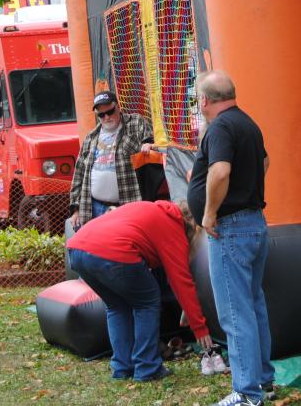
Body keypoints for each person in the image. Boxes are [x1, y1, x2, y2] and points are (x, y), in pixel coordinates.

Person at [187, 71, 274, 406]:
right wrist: (245, 192)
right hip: (253, 223)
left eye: (198, 99)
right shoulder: (248, 123)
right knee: (253, 306)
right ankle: (263, 379)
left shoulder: (221, 127)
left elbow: (220, 171)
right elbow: (265, 162)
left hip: (231, 228)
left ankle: (247, 393)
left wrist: (209, 213)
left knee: (235, 313)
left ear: (205, 100)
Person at [67, 199, 213, 381]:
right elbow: (181, 282)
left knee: (117, 306)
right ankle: (147, 367)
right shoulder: (173, 227)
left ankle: (122, 367)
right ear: (194, 226)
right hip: (112, 252)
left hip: (77, 248)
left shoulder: (151, 209)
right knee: (147, 302)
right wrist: (199, 327)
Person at [69, 91, 161, 230]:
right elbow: (79, 173)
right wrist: (75, 209)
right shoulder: (91, 136)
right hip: (94, 206)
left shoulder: (135, 122)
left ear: (118, 107)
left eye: (110, 112)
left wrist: (150, 145)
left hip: (127, 204)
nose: (106, 117)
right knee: (97, 248)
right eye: (101, 115)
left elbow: (154, 144)